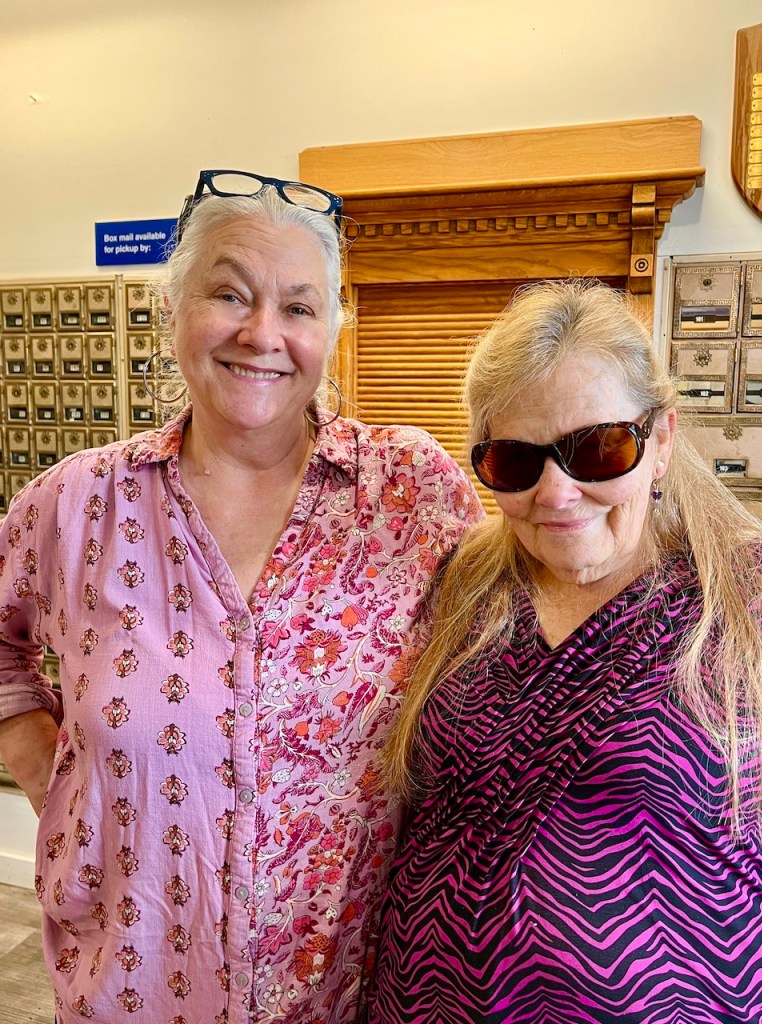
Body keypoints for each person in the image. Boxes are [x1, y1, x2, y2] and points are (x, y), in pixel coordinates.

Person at [0, 169, 483, 1024]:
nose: (263, 333)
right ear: (174, 308)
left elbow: (505, 652)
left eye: (299, 307)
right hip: (131, 986)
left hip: (346, 992)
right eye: (229, 293)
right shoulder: (76, 505)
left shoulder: (412, 493)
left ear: (334, 326)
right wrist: (45, 765)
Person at [368, 280, 762, 1024]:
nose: (557, 492)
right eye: (515, 463)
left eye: (596, 449)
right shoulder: (465, 584)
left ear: (663, 439)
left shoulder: (749, 598)